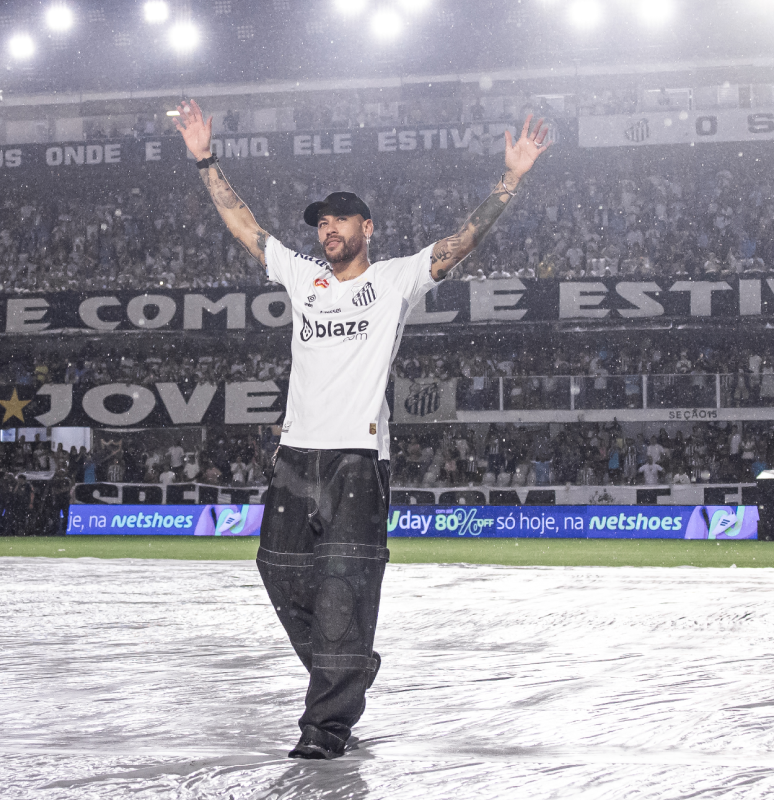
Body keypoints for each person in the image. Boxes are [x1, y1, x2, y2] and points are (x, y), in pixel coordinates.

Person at [174, 98, 552, 759]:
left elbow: (464, 240)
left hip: (356, 458)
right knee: (276, 569)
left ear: (367, 227)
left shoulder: (394, 279)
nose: (327, 229)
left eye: (340, 219)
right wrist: (205, 159)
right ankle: (347, 664)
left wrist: (511, 178)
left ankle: (324, 730)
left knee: (345, 588)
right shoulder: (303, 278)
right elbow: (246, 226)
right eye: (321, 222)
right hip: (294, 457)